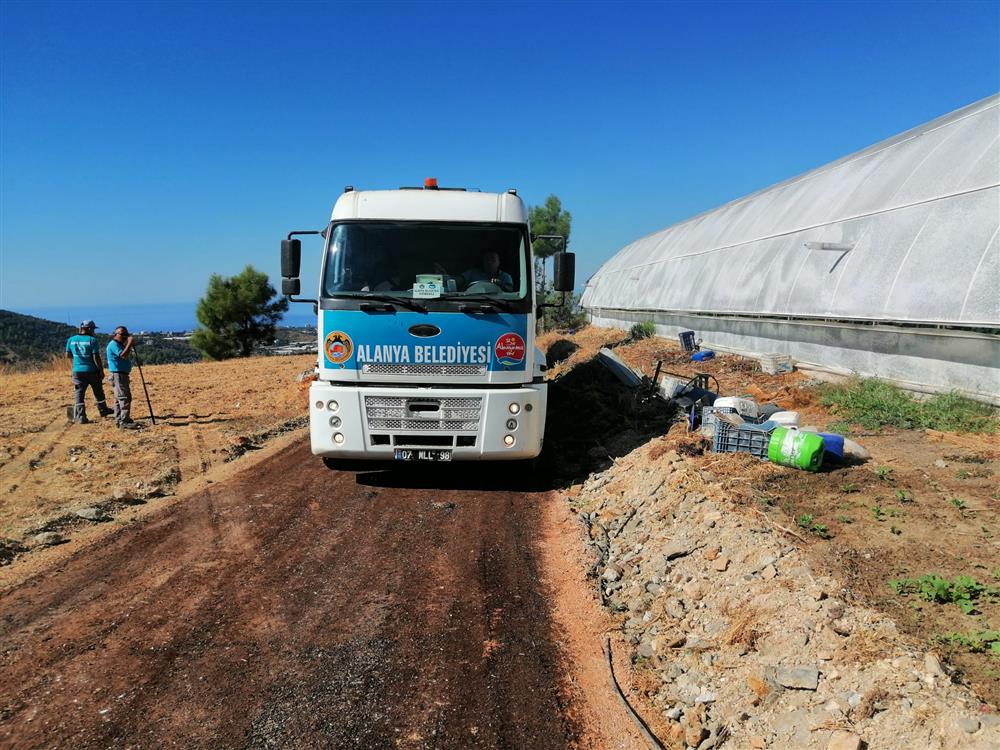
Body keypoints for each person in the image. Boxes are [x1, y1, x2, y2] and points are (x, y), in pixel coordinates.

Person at [65, 320, 112, 423]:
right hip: (92, 370)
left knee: (79, 394)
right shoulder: (92, 340)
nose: (94, 331)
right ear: (89, 329)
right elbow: (96, 357)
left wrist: (76, 362)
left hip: (77, 371)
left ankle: (81, 416)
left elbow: (67, 355)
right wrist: (101, 370)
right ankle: (103, 410)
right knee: (98, 391)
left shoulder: (71, 340)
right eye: (93, 329)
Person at [106, 326, 139, 429]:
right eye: (122, 334)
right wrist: (129, 343)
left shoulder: (119, 344)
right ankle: (123, 421)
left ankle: (120, 419)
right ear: (115, 334)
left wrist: (129, 344)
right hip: (118, 374)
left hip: (121, 374)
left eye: (126, 334)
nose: (124, 336)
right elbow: (123, 355)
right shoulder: (114, 345)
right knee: (124, 397)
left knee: (119, 398)